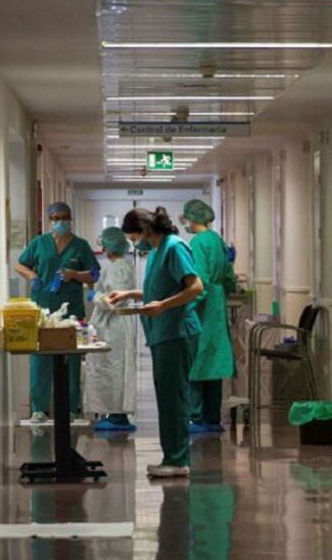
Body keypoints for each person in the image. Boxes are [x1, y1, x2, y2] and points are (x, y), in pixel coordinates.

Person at [107, 207, 203, 478]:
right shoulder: (158, 251)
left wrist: (163, 306)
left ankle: (178, 460)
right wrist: (130, 293)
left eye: (135, 237)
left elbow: (195, 287)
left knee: (175, 398)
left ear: (146, 230)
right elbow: (159, 290)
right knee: (167, 397)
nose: (136, 243)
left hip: (177, 332)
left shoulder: (173, 247)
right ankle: (171, 457)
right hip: (164, 333)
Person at [13, 202, 100, 423]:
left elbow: (94, 275)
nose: (60, 222)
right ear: (49, 220)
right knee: (40, 359)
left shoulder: (80, 245)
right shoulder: (39, 243)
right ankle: (39, 408)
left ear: (71, 219)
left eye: (64, 217)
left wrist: (76, 275)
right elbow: (19, 265)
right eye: (56, 218)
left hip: (71, 309)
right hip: (43, 306)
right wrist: (32, 277)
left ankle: (70, 407)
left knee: (70, 359)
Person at [179, 199, 238, 433]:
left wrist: (187, 306)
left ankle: (195, 416)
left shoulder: (198, 242)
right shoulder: (217, 240)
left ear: (192, 219)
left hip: (203, 309)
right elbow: (229, 278)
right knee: (213, 362)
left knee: (197, 361)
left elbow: (199, 280)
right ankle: (212, 417)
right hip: (217, 305)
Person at [84, 227, 138, 431]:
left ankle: (117, 415)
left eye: (105, 244)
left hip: (114, 326)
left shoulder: (119, 267)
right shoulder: (116, 265)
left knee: (114, 369)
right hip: (109, 324)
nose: (103, 248)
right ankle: (113, 413)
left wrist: (94, 296)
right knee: (108, 368)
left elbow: (114, 301)